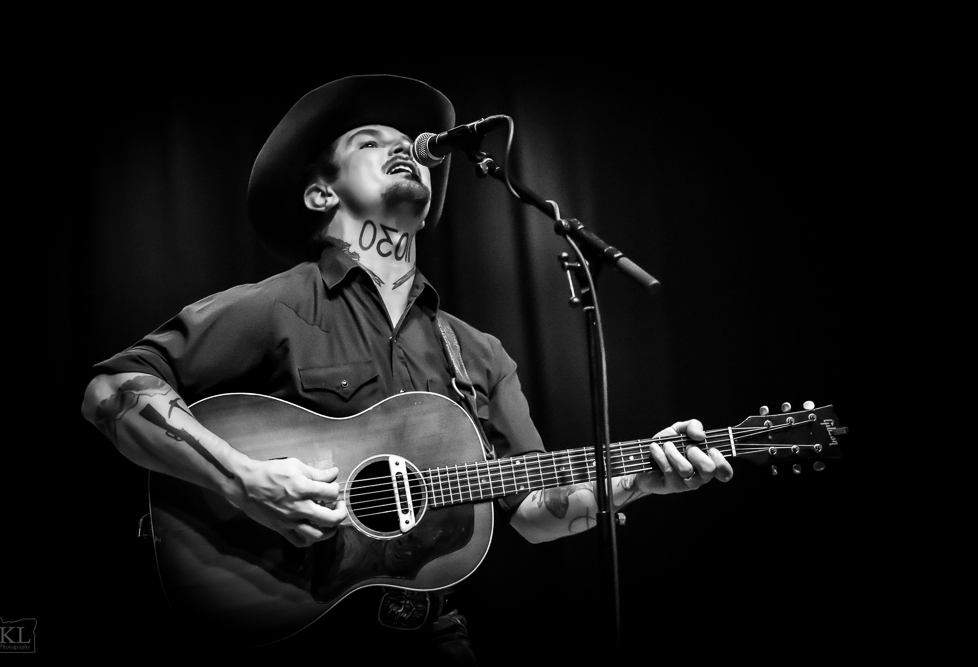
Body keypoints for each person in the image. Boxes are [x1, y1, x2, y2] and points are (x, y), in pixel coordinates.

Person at [81, 74, 733, 662]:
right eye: (370, 141)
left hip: (427, 639)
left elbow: (536, 507)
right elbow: (110, 387)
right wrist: (242, 477)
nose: (403, 147)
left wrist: (640, 478)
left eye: (408, 141)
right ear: (318, 191)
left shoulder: (475, 350)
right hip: (287, 631)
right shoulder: (273, 307)